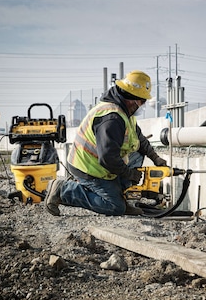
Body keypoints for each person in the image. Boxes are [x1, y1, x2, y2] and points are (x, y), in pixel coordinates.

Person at [44, 70, 167, 217]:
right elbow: (108, 159)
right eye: (142, 101)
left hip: (103, 160)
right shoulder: (112, 118)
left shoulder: (125, 111)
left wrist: (155, 157)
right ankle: (63, 190)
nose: (143, 105)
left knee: (139, 153)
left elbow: (138, 137)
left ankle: (120, 195)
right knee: (115, 207)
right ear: (131, 98)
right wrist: (129, 174)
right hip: (88, 166)